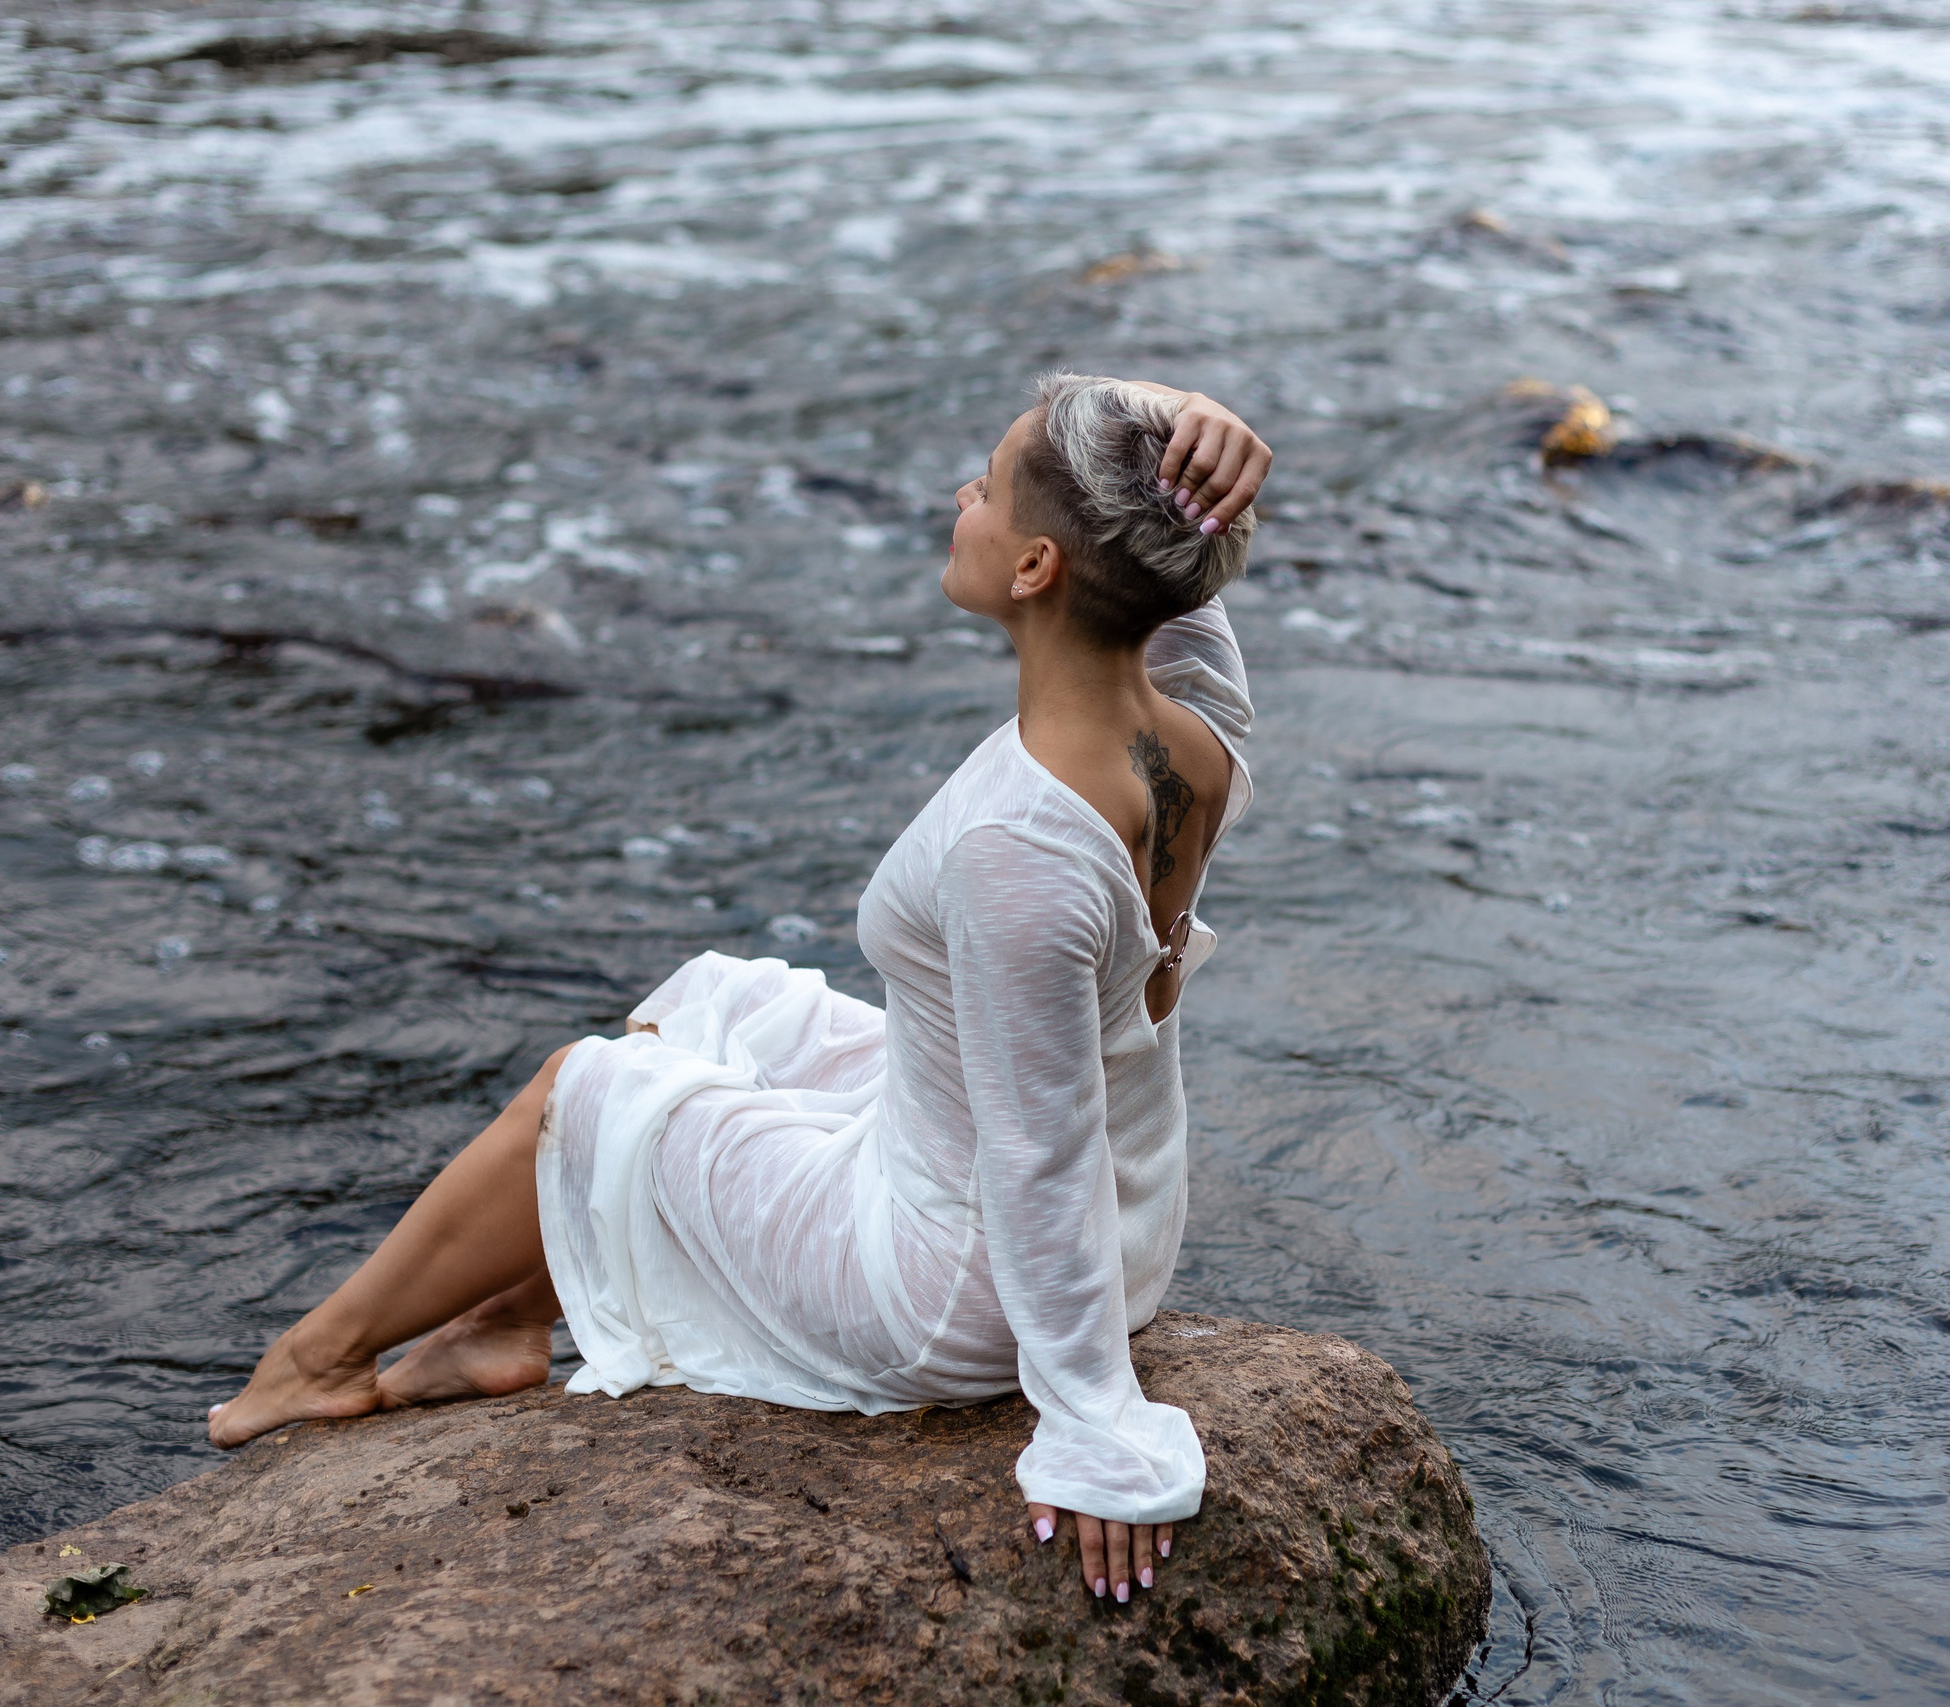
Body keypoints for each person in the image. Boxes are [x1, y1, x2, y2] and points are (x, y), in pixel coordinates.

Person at [207, 374, 1273, 1607]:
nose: (958, 499)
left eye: (982, 485)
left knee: (587, 1087)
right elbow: (1170, 573)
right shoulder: (1193, 724)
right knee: (717, 1002)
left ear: (1036, 567)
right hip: (1113, 1207)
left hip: (954, 1278)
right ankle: (504, 1320)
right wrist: (1186, 423)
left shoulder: (1016, 847)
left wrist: (1093, 1423)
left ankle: (320, 1359)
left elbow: (1038, 1159)